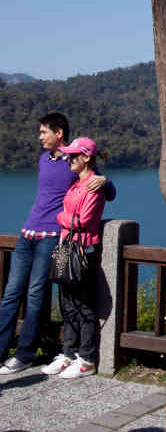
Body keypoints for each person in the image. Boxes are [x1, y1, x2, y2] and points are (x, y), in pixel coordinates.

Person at [0, 114, 115, 374]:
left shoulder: (73, 162)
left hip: (52, 238)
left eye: (44, 132)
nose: (40, 137)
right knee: (10, 294)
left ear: (59, 133)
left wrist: (106, 181)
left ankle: (25, 353)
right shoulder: (44, 160)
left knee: (35, 295)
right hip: (27, 234)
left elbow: (104, 189)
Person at [41, 137, 107, 378]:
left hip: (83, 250)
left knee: (84, 306)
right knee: (67, 304)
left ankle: (87, 359)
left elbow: (83, 221)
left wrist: (61, 218)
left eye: (73, 155)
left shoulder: (93, 186)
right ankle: (69, 353)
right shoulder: (76, 184)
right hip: (65, 248)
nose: (68, 159)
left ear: (86, 158)